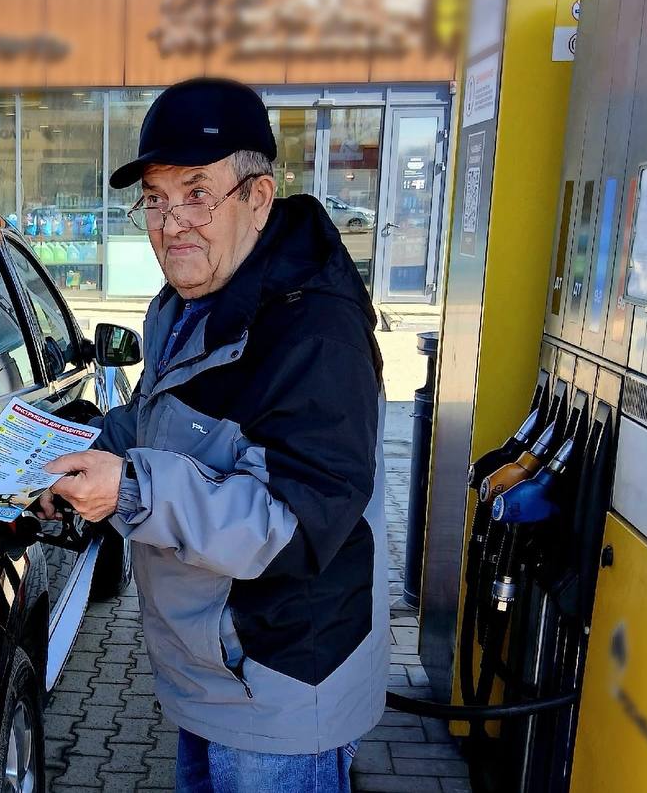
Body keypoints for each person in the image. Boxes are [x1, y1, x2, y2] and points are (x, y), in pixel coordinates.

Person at [40, 78, 388, 793]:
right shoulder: (185, 305)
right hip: (211, 675)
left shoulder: (314, 331)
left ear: (258, 198)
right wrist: (81, 447)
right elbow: (156, 423)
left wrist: (133, 491)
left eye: (197, 194)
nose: (173, 225)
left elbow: (296, 522)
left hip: (280, 683)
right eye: (157, 201)